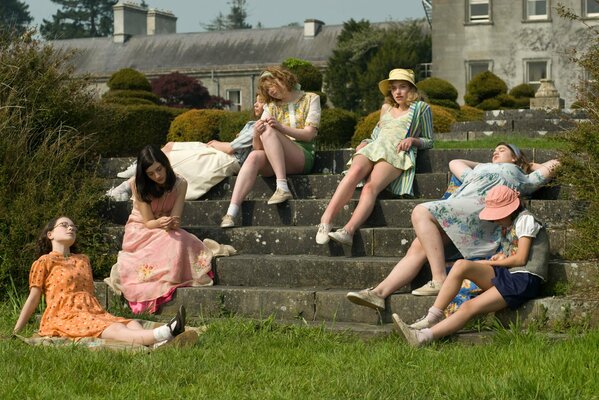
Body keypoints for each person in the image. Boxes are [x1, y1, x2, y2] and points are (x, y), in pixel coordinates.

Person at [346, 143, 560, 308]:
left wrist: (524, 164)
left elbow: (556, 164)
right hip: (458, 211)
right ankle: (379, 294)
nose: (495, 152)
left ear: (515, 157)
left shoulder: (521, 177)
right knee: (418, 246)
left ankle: (439, 278)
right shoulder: (478, 171)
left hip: (480, 213)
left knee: (421, 211)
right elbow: (455, 162)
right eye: (493, 150)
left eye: (502, 150)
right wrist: (487, 165)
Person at [392, 185, 550, 347]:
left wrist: (490, 262)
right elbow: (514, 251)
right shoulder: (512, 223)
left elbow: (521, 259)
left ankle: (422, 338)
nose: (495, 221)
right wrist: (503, 255)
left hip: (523, 280)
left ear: (510, 210)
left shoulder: (526, 220)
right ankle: (431, 318)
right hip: (509, 275)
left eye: (497, 216)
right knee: (461, 265)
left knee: (469, 306)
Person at [13, 216, 187, 346]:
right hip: (64, 315)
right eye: (64, 225)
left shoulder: (83, 259)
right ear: (49, 234)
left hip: (92, 311)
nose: (71, 228)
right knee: (115, 330)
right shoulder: (44, 261)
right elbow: (34, 297)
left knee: (130, 322)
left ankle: (154, 342)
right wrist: (17, 330)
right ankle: (166, 332)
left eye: (73, 227)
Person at [316, 68, 433, 246]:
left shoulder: (421, 109)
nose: (398, 92)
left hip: (395, 152)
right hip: (374, 147)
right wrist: (364, 141)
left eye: (402, 87)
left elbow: (430, 140)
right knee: (352, 173)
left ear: (411, 89)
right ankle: (325, 221)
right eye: (393, 88)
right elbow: (376, 135)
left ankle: (348, 230)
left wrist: (413, 140)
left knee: (370, 188)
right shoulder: (386, 108)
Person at [110, 145, 213, 314]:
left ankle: (171, 275)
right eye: (151, 173)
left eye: (159, 169)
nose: (157, 176)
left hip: (166, 227)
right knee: (170, 240)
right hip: (141, 228)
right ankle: (154, 282)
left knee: (180, 239)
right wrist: (160, 224)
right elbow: (148, 221)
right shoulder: (138, 185)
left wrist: (171, 223)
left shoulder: (180, 184)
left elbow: (176, 219)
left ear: (165, 164)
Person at [106, 95, 266, 201]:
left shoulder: (258, 126)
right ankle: (137, 168)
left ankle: (128, 186)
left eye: (260, 101)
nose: (255, 104)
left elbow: (231, 148)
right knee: (170, 146)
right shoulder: (253, 125)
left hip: (228, 159)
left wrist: (216, 143)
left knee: (172, 161)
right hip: (220, 152)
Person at [220, 66, 321, 228]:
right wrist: (255, 135)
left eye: (271, 86)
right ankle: (231, 212)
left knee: (268, 129)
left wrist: (281, 128)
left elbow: (309, 134)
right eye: (267, 90)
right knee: (253, 156)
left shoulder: (311, 98)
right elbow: (258, 148)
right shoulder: (271, 106)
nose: (271, 92)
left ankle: (282, 186)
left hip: (302, 155)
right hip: (277, 159)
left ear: (283, 80)